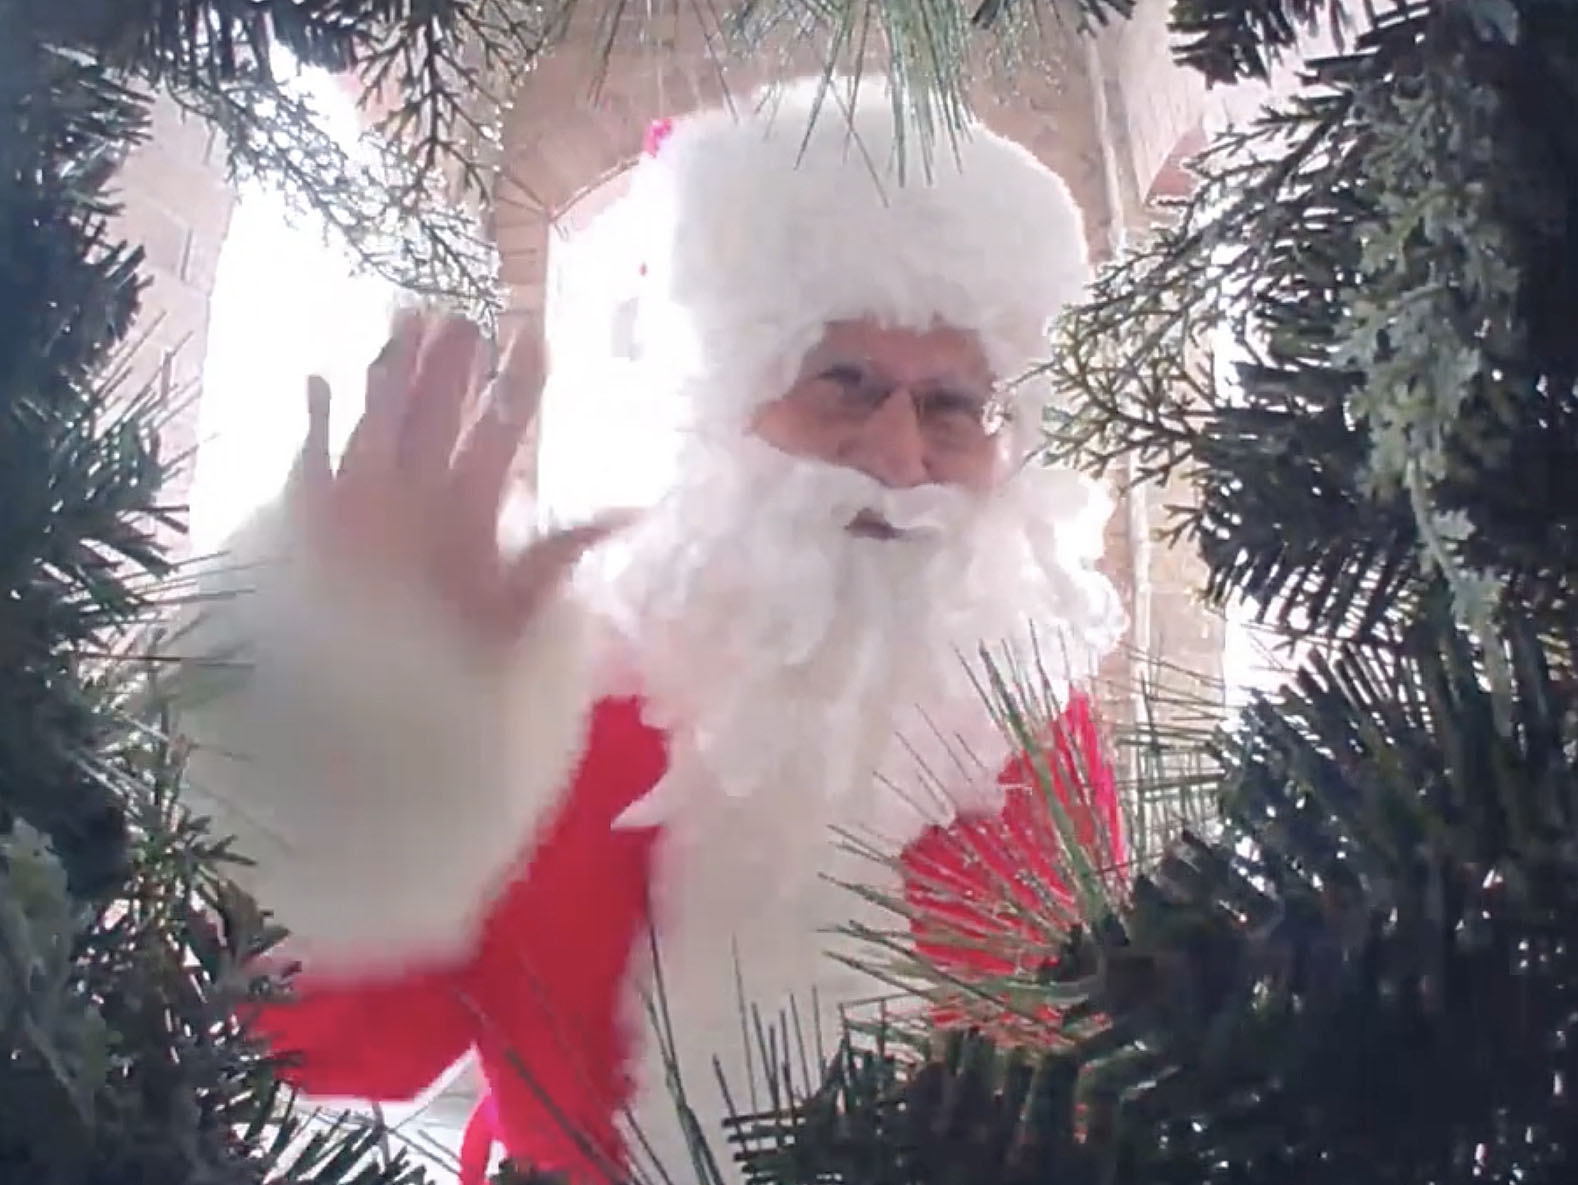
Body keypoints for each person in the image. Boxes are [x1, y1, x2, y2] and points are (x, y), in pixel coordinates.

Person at [177, 77, 1128, 1185]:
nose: (900, 457)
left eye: (953, 406)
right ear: (729, 397)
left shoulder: (1029, 715)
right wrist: (342, 728)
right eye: (845, 384)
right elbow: (335, 1051)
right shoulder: (564, 688)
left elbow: (1088, 1069)